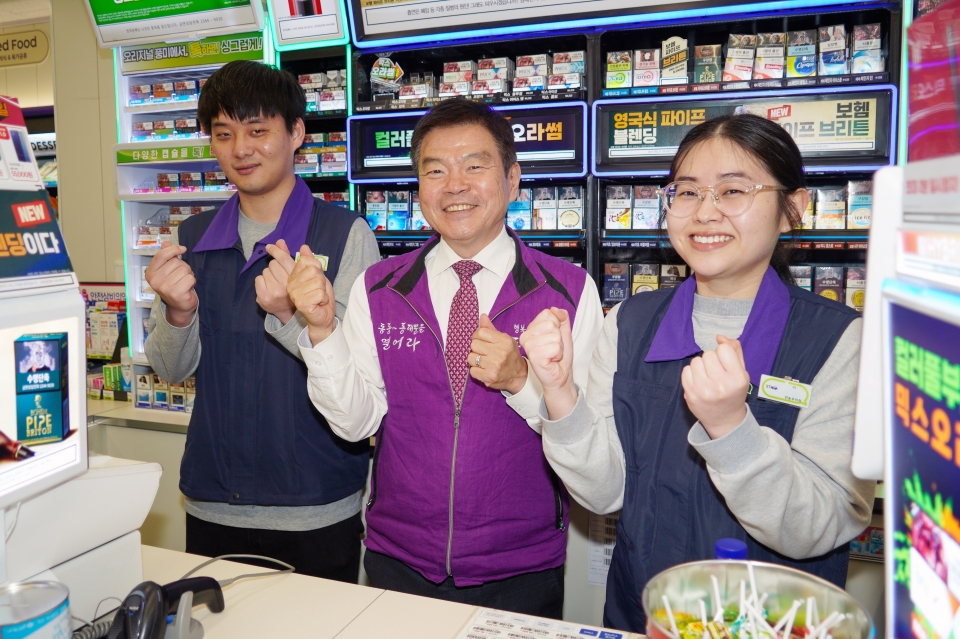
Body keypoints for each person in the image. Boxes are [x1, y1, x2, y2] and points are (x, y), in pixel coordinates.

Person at [521, 114, 875, 632]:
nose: (705, 213)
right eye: (687, 192)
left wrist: (733, 429)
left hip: (773, 624)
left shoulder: (841, 339)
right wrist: (557, 392)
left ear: (791, 209)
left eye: (733, 190)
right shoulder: (630, 322)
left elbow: (820, 525)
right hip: (644, 614)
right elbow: (604, 493)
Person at [286, 98, 603, 617]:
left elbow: (590, 447)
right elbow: (355, 422)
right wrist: (322, 330)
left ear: (513, 181)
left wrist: (523, 382)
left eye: (475, 166)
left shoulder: (567, 291)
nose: (455, 184)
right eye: (436, 170)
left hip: (522, 569)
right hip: (397, 560)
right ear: (420, 188)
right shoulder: (380, 287)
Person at [143, 61, 379, 582]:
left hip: (314, 503)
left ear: (296, 133)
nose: (240, 149)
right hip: (212, 501)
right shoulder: (196, 236)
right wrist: (179, 313)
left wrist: (290, 316)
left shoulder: (345, 235)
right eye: (223, 134)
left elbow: (361, 377)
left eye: (257, 131)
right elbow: (170, 369)